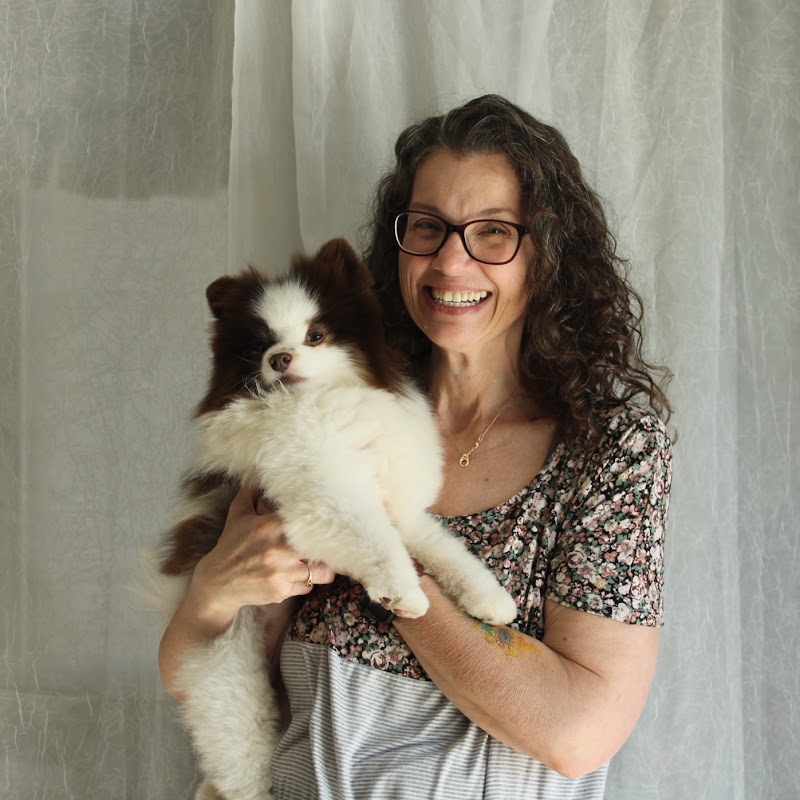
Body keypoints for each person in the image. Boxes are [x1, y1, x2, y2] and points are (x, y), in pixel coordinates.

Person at [159, 94, 673, 799]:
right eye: (428, 227)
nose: (451, 261)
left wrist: (386, 564)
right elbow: (204, 675)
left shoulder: (609, 450)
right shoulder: (318, 402)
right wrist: (214, 587)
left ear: (548, 253)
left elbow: (576, 734)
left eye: (493, 232)